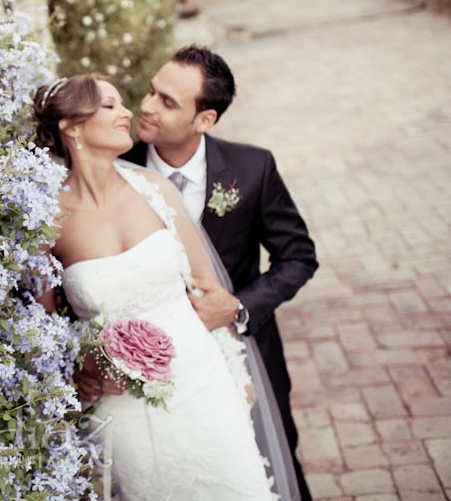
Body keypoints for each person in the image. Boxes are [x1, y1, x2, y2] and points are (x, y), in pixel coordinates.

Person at [34, 74, 278, 500]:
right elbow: (43, 326)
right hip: (122, 404)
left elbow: (209, 293)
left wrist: (236, 372)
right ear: (71, 126)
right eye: (109, 105)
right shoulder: (45, 220)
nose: (128, 112)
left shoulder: (154, 188)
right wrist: (82, 368)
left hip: (202, 380)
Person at [120, 45, 318, 501]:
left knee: (273, 462)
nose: (146, 106)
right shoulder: (116, 170)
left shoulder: (252, 169)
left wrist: (239, 306)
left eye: (167, 101)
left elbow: (299, 257)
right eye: (151, 91)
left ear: (204, 120)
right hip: (157, 369)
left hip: (245, 353)